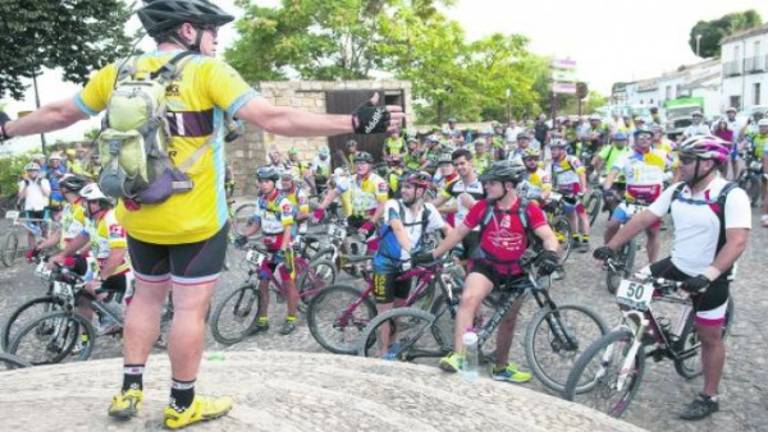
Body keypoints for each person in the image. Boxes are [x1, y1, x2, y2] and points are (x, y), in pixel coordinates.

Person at [0, 1, 403, 428]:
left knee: (145, 298)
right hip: (196, 221)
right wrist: (356, 122)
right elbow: (274, 118)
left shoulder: (118, 72)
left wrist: (6, 129)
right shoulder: (208, 72)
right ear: (190, 32)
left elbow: (61, 113)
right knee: (189, 309)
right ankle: (181, 403)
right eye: (213, 31)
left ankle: (129, 390)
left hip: (138, 214)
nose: (217, 40)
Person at [594, 135, 751, 420]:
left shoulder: (731, 194)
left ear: (709, 163)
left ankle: (709, 395)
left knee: (709, 337)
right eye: (681, 158)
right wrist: (611, 246)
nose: (681, 164)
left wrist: (709, 274)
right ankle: (655, 335)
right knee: (628, 291)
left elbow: (737, 242)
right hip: (677, 264)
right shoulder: (678, 189)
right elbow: (644, 218)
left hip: (713, 273)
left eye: (688, 160)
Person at [414, 160, 560, 382]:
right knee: (468, 300)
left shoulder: (528, 209)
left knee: (509, 320)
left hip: (517, 270)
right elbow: (458, 233)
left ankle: (501, 368)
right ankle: (460, 356)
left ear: (508, 186)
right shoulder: (483, 207)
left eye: (492, 183)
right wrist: (434, 254)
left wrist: (551, 254)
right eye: (486, 183)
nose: (486, 187)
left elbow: (549, 237)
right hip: (487, 265)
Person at [372, 171, 449, 354]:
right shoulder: (393, 204)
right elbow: (398, 229)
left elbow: (447, 229)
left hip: (407, 265)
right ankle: (383, 353)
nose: (402, 190)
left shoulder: (429, 210)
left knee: (399, 309)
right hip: (386, 264)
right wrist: (413, 251)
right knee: (385, 313)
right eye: (403, 186)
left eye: (408, 187)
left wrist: (456, 246)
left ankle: (393, 344)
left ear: (421, 191)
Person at [236, 167, 300, 335]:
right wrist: (245, 235)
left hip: (283, 243)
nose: (263, 185)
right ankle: (262, 320)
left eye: (267, 181)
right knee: (263, 282)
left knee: (288, 283)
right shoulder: (261, 200)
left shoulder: (283, 202)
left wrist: (284, 249)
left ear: (274, 182)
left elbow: (288, 228)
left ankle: (291, 318)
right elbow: (257, 222)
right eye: (261, 181)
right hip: (268, 244)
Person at [601, 129, 670, 263]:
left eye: (647, 137)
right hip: (630, 201)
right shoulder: (626, 156)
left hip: (653, 203)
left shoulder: (661, 155)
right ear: (635, 140)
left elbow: (678, 166)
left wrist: (674, 184)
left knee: (652, 233)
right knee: (612, 225)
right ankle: (607, 252)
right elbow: (613, 172)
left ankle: (652, 265)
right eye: (640, 137)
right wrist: (607, 188)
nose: (644, 139)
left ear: (652, 140)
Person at [314, 151, 389, 254]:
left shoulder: (378, 182)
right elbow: (334, 193)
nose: (359, 166)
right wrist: (320, 209)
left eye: (363, 163)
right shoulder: (350, 179)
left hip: (374, 219)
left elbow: (382, 205)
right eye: (357, 163)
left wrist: (371, 222)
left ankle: (369, 265)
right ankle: (350, 264)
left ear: (370, 165)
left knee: (372, 251)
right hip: (356, 216)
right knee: (340, 237)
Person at [431, 149, 485, 261]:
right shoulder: (454, 185)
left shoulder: (484, 183)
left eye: (462, 163)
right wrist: (416, 204)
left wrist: (473, 206)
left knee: (474, 270)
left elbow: (495, 208)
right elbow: (436, 202)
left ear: (471, 162)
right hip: (458, 233)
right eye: (456, 165)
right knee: (456, 268)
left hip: (479, 234)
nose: (459, 167)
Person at [31, 174, 89, 263]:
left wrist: (78, 254)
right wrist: (39, 247)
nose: (59, 191)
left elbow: (93, 236)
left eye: (60, 188)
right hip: (66, 254)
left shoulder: (84, 208)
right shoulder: (68, 208)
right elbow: (60, 233)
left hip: (81, 258)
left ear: (65, 189)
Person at [549, 139, 591, 251]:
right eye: (551, 149)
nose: (552, 151)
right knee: (570, 214)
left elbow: (581, 173)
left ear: (562, 150)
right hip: (562, 189)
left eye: (555, 149)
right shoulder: (553, 162)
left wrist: (583, 189)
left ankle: (586, 241)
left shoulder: (572, 159)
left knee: (581, 213)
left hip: (575, 188)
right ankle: (575, 239)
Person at [17, 162, 52, 252]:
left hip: (43, 208)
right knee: (31, 231)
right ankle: (31, 250)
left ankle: (44, 248)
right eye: (30, 171)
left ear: (38, 172)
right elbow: (21, 197)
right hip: (30, 208)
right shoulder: (23, 183)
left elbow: (47, 194)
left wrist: (40, 184)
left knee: (45, 229)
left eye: (35, 171)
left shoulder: (44, 181)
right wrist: (26, 185)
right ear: (27, 172)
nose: (32, 172)